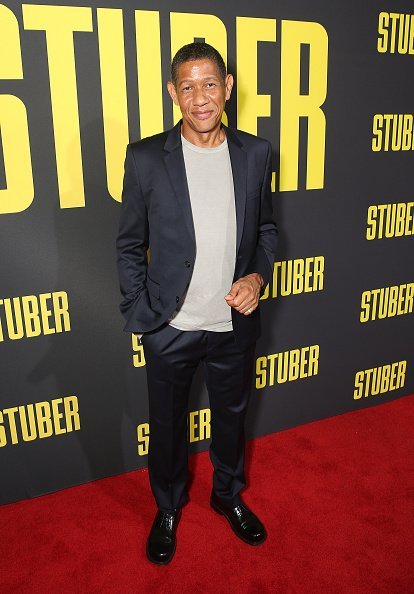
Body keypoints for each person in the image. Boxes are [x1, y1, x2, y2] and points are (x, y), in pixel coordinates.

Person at [116, 41, 278, 565]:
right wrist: (141, 310)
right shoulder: (144, 158)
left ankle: (227, 494)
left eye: (210, 84)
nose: (200, 97)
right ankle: (167, 507)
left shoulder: (256, 153)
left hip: (234, 323)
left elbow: (268, 230)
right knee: (166, 426)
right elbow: (128, 243)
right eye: (187, 86)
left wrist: (257, 275)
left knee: (231, 419)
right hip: (171, 325)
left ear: (228, 88)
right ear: (173, 92)